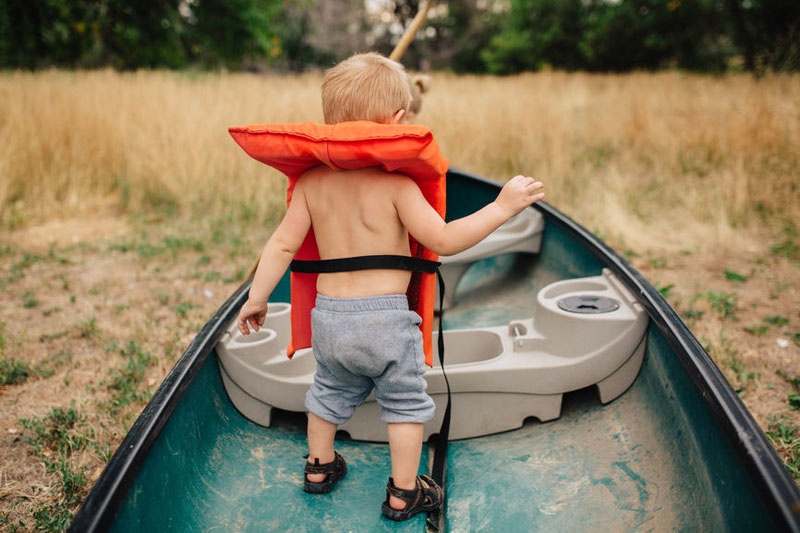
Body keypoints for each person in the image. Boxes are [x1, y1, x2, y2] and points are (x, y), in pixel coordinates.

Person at [236, 52, 545, 521]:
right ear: (399, 121)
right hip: (385, 319)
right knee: (404, 404)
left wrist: (256, 298)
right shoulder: (399, 187)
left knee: (326, 393)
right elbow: (444, 240)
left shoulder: (312, 184)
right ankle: (404, 491)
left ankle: (319, 467)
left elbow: (280, 246)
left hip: (330, 319)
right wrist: (501, 208)